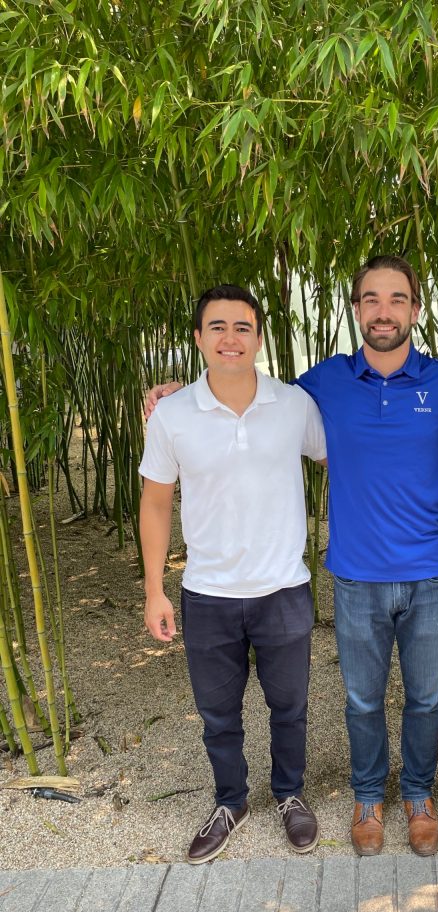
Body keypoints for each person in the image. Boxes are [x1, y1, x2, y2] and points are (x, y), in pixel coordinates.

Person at [146, 257, 438, 859]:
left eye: (397, 299)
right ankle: (368, 796)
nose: (384, 311)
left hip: (431, 575)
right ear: (356, 309)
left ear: (415, 311)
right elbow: (245, 385)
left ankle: (419, 795)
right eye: (371, 299)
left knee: (426, 699)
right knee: (364, 700)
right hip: (355, 575)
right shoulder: (320, 384)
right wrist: (172, 395)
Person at [140, 284, 327, 864]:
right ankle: (231, 801)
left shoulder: (295, 405)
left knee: (289, 705)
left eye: (242, 327)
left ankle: (290, 794)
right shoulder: (172, 413)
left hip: (284, 588)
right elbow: (154, 502)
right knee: (217, 713)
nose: (230, 338)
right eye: (217, 327)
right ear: (197, 338)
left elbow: (343, 457)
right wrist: (153, 590)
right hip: (209, 592)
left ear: (258, 337)